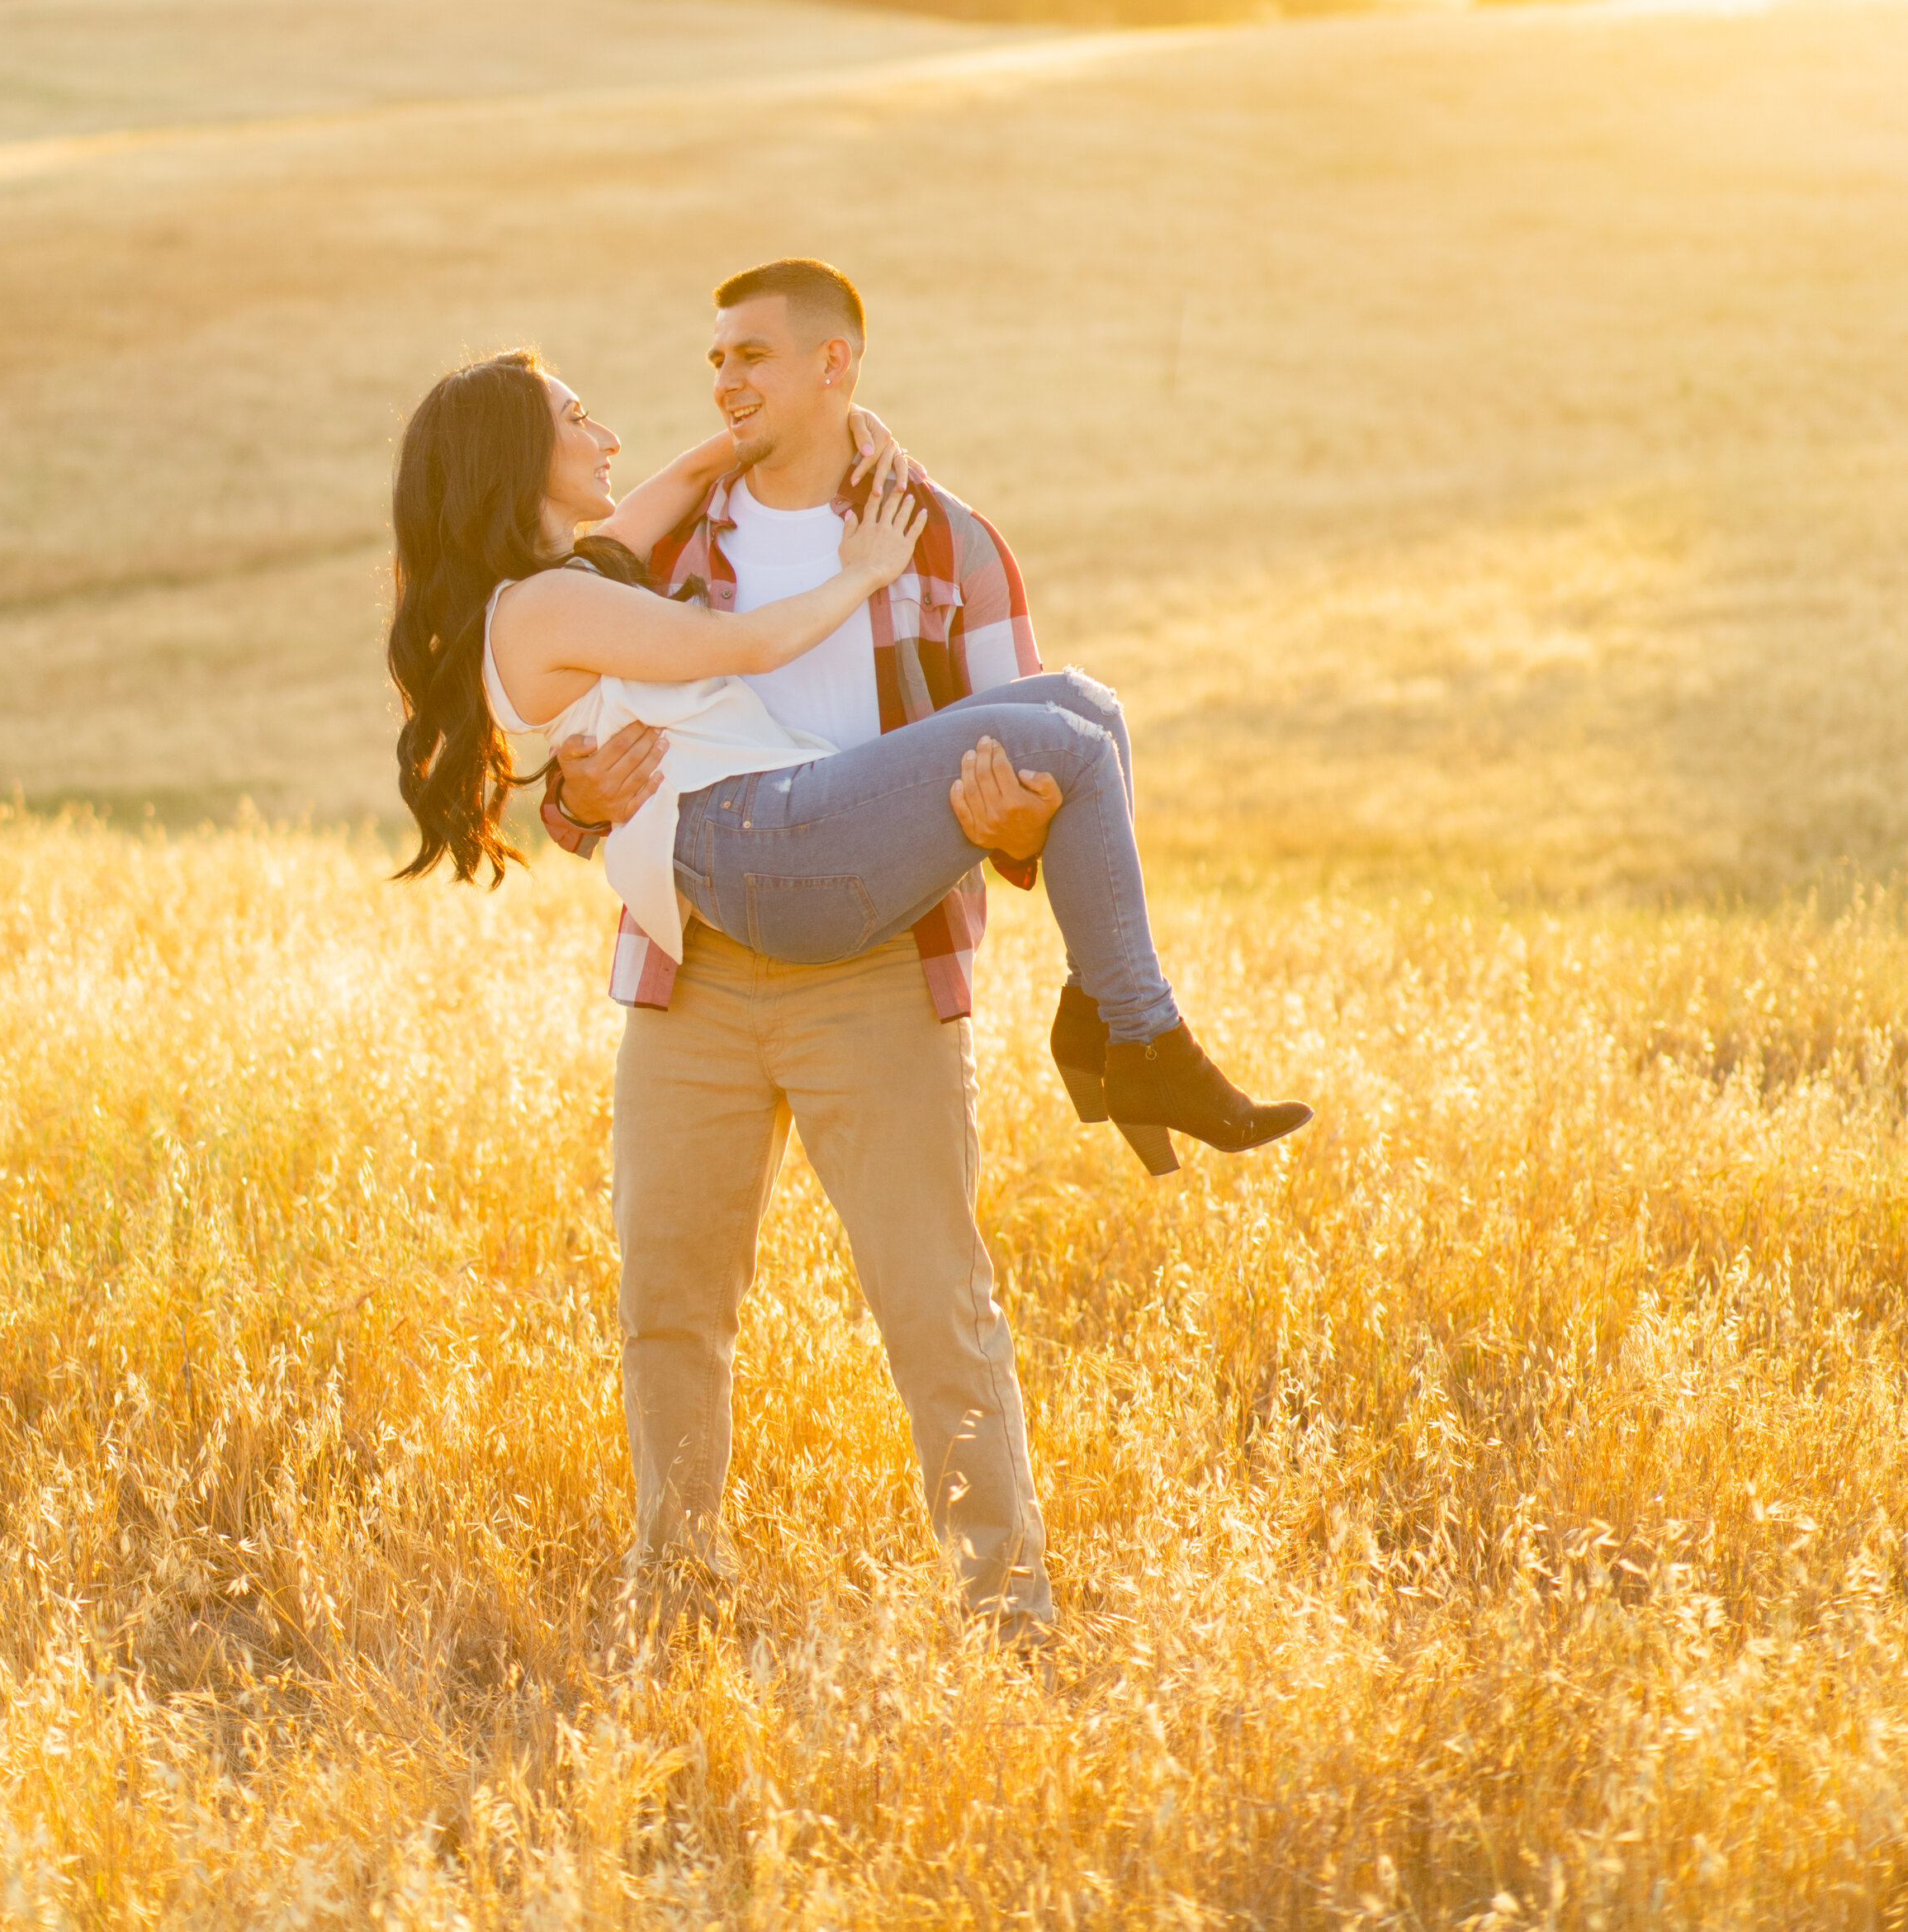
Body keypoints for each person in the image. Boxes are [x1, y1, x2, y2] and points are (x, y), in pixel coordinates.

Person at [387, 261, 1310, 1627]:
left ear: (837, 365)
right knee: (670, 1304)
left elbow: (1029, 789)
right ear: (523, 454)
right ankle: (676, 1591)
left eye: (753, 359)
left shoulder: (944, 538)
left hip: (866, 949)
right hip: (695, 957)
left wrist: (1012, 825)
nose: (715, 392)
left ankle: (1009, 1610)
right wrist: (579, 795)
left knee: (1074, 725)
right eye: (714, 364)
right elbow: (624, 747)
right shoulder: (655, 564)